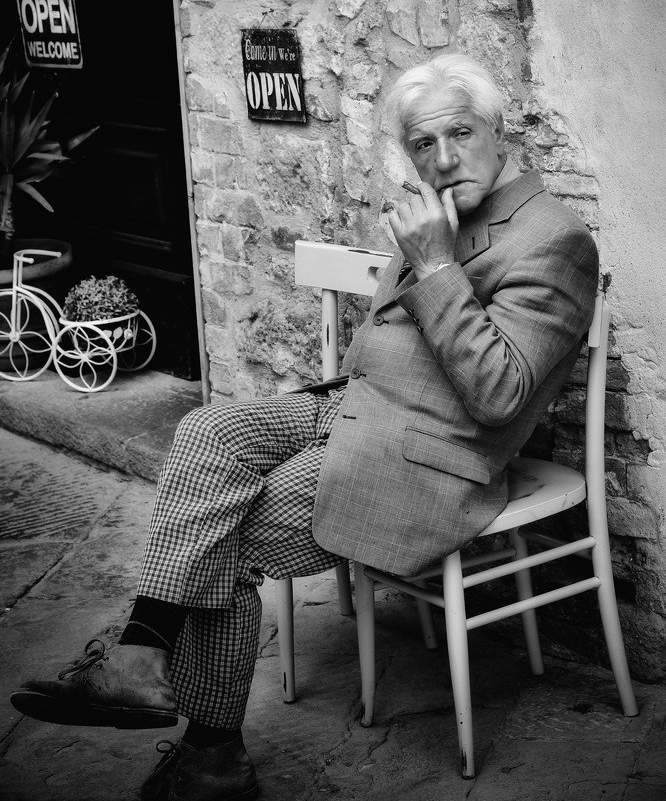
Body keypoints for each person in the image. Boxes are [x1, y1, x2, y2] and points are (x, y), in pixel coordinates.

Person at [10, 53, 599, 801]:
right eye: (423, 143)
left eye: (461, 133)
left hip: (426, 450)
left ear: (498, 130)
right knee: (207, 429)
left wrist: (435, 266)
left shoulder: (553, 238)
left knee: (228, 538)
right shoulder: (442, 212)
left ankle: (211, 752)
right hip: (352, 406)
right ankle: (139, 654)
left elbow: (501, 394)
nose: (445, 159)